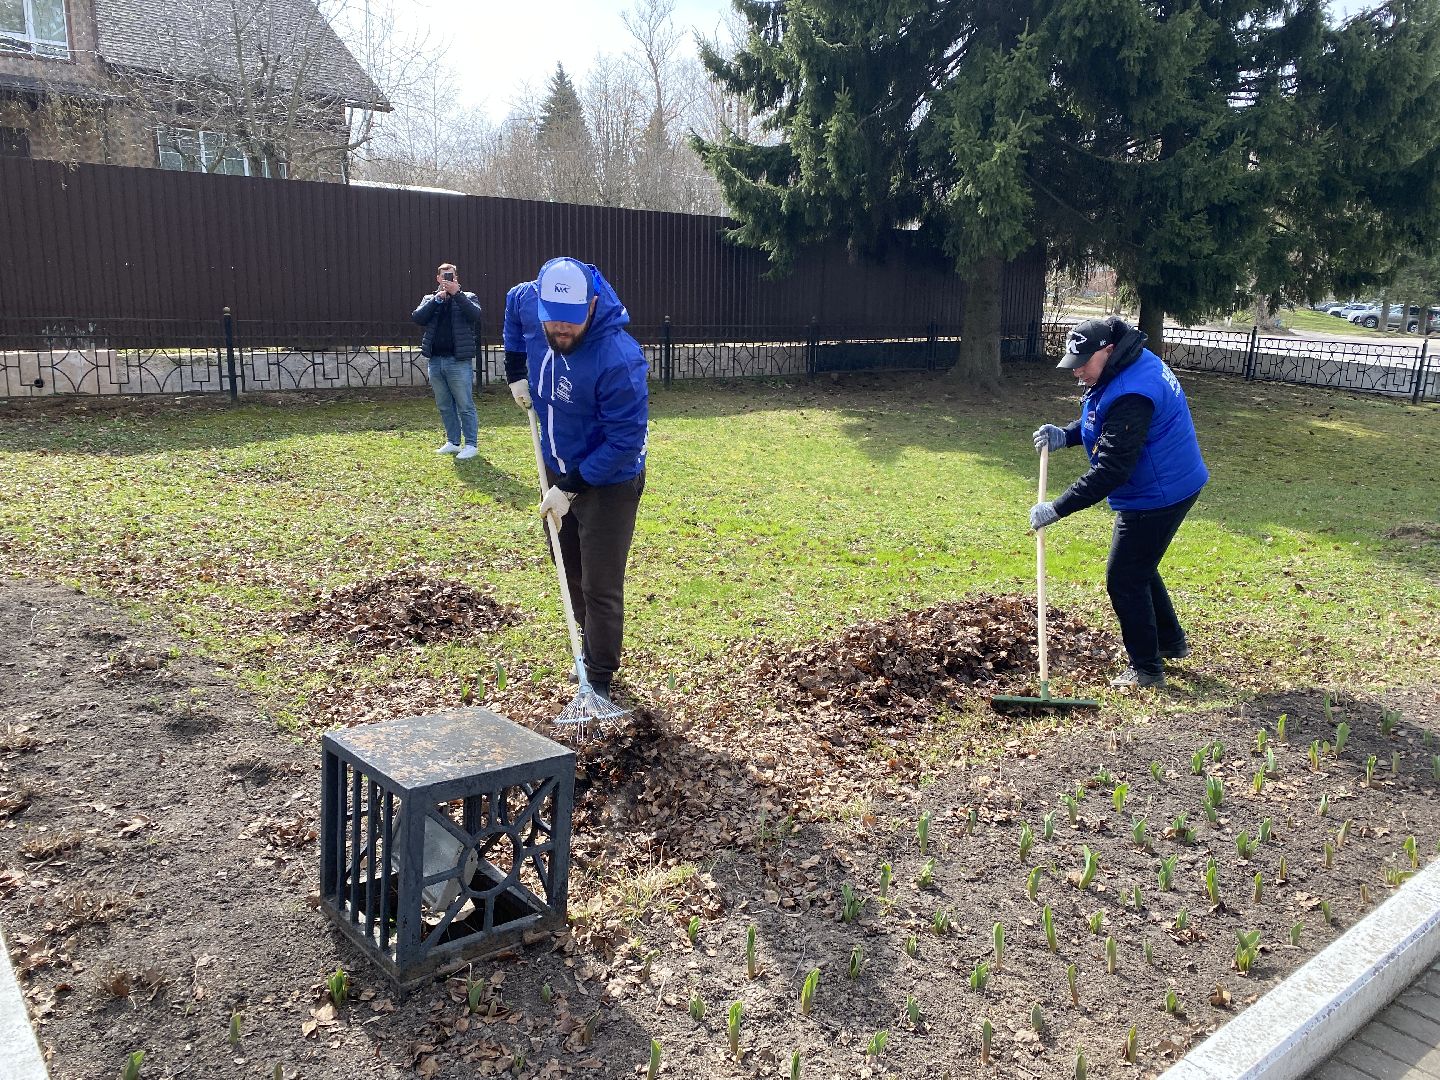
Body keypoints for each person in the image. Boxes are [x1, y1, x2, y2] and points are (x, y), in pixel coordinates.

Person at [1029, 316, 1209, 689]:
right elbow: (1104, 419)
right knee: (1140, 564)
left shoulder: (1132, 390)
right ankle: (1169, 642)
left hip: (1159, 493)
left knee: (1125, 577)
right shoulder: (1126, 364)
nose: (1077, 372)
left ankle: (1145, 668)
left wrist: (1057, 507)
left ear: (1107, 351)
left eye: (1082, 364)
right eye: (1072, 364)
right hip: (1174, 480)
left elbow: (1112, 469)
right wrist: (1067, 435)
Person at [503, 258, 649, 701]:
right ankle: (586, 652)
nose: (561, 331)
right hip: (556, 466)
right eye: (553, 322)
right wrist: (515, 372)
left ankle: (600, 680)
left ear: (591, 305)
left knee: (599, 585)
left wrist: (569, 488)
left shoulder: (619, 360)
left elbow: (625, 441)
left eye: (571, 322)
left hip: (609, 482)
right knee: (567, 570)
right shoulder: (530, 301)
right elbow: (512, 307)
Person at [412, 262, 483, 460]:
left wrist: (457, 294)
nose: (447, 280)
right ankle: (453, 442)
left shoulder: (467, 297)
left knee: (465, 404)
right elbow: (418, 318)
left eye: (451, 276)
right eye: (444, 276)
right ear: (437, 278)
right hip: (435, 360)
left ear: (456, 278)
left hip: (458, 361)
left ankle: (471, 444)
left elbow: (475, 315)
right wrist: (437, 300)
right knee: (444, 405)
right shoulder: (430, 299)